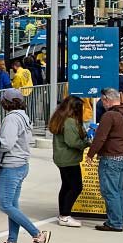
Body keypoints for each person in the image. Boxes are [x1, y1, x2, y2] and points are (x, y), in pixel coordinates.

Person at [0, 93, 49, 243]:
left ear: (6, 103)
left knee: (5, 204)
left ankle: (37, 234)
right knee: (13, 206)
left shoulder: (11, 118)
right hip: (21, 165)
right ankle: (12, 242)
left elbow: (6, 144)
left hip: (11, 165)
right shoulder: (24, 117)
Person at [90, 89, 123, 232]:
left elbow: (100, 138)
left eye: (102, 101)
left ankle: (114, 222)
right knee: (118, 190)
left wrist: (91, 154)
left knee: (109, 191)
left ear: (106, 100)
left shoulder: (109, 116)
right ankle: (119, 218)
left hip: (111, 157)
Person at [50, 95, 90, 228]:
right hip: (69, 159)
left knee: (66, 186)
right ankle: (65, 215)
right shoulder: (70, 122)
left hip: (61, 158)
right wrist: (87, 143)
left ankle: (63, 213)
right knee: (76, 186)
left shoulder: (60, 118)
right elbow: (73, 142)